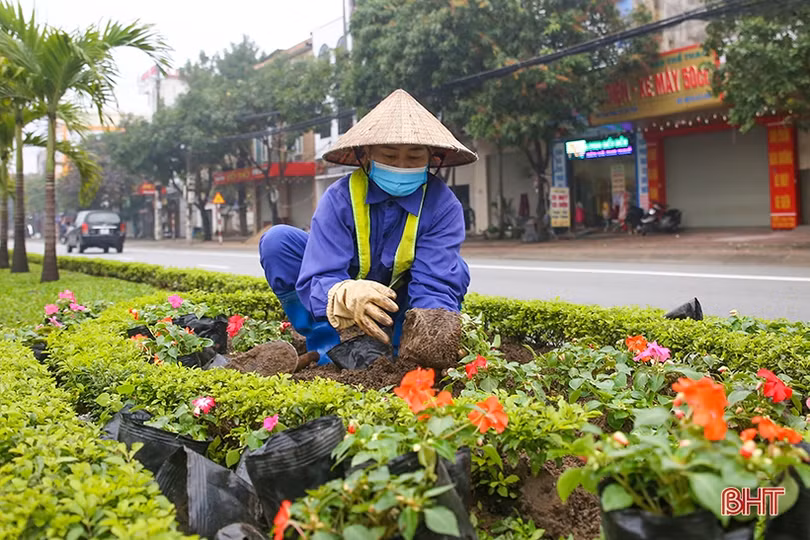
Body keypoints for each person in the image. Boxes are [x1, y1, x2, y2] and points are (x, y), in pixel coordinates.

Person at [259, 89, 477, 366]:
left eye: (413, 158)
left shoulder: (444, 206)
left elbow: (435, 282)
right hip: (345, 298)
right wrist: (345, 294)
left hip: (403, 299)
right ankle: (330, 346)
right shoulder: (340, 198)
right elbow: (320, 272)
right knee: (278, 242)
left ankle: (400, 346)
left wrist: (431, 340)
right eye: (389, 155)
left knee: (456, 270)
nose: (401, 166)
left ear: (431, 159)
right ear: (367, 155)